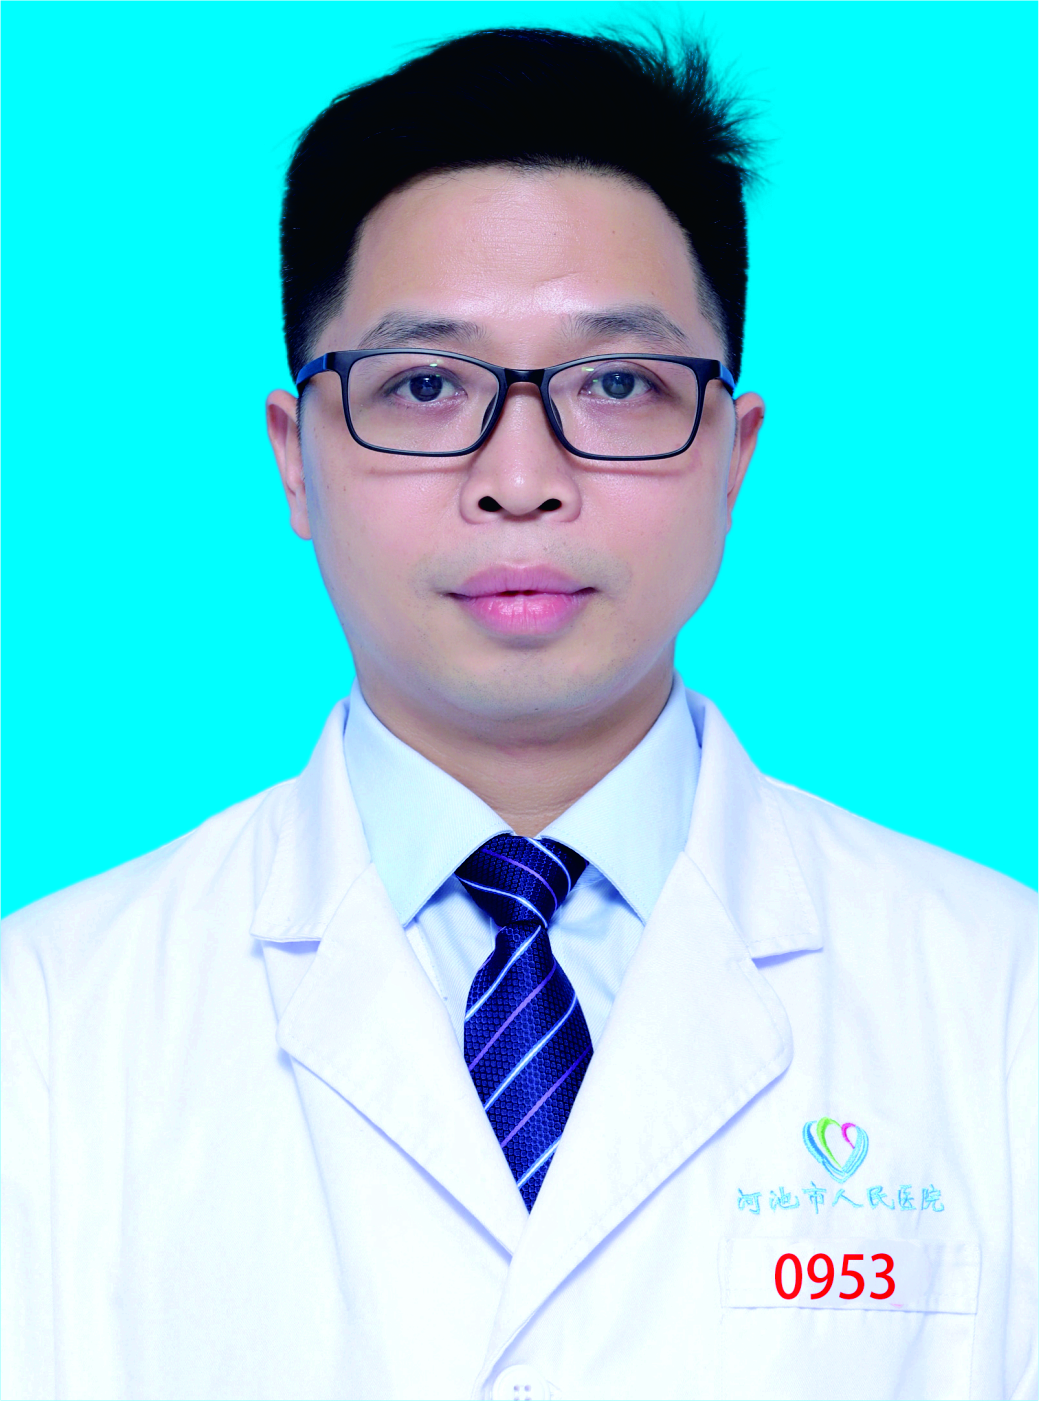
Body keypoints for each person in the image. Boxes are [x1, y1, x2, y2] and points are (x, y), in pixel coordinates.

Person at [1, 25, 1035, 1401]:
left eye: (617, 385)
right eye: (426, 387)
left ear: (732, 455)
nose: (521, 478)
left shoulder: (1001, 1001)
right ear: (296, 460)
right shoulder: (46, 1026)